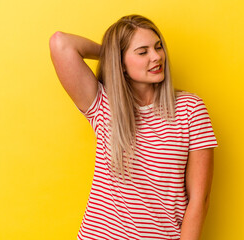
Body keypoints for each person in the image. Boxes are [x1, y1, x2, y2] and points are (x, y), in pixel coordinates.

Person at [49, 14, 218, 240]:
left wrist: (125, 57)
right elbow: (60, 43)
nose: (156, 57)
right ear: (121, 63)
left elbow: (200, 199)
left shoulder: (189, 109)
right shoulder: (103, 104)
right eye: (142, 52)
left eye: (158, 47)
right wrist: (112, 55)